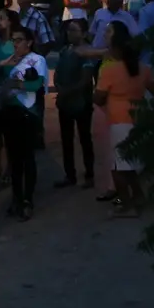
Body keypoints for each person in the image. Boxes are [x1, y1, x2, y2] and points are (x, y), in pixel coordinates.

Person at [94, 22, 154, 215]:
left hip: (118, 121)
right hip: (137, 118)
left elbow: (99, 97)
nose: (105, 33)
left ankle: (128, 204)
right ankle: (138, 197)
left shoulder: (110, 70)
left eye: (109, 32)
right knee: (128, 165)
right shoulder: (142, 68)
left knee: (118, 167)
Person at [0, 25, 48, 219]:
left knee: (27, 159)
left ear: (29, 42)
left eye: (19, 40)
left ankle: (27, 200)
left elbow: (36, 84)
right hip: (10, 114)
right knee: (14, 160)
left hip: (27, 115)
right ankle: (16, 198)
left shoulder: (37, 60)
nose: (15, 43)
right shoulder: (14, 63)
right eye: (13, 40)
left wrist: (15, 84)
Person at [53, 19, 96, 190]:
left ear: (84, 33)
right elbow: (57, 73)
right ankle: (70, 174)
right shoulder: (65, 51)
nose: (70, 33)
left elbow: (85, 81)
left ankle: (89, 174)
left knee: (85, 139)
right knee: (67, 140)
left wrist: (65, 91)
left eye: (74, 30)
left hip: (81, 102)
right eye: (69, 30)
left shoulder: (86, 53)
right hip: (66, 102)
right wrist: (59, 88)